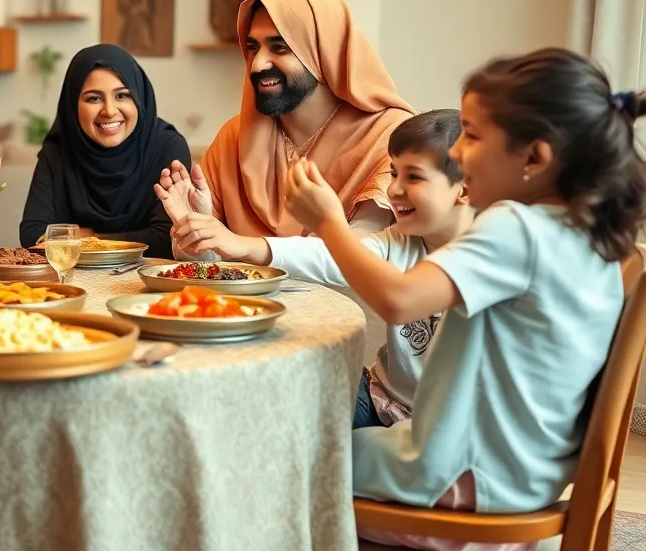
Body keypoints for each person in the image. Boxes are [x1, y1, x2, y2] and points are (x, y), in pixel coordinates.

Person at [283, 48, 646, 551]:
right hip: (519, 485)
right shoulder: (591, 238)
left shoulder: (516, 229)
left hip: (458, 491)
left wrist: (328, 223)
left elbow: (399, 300)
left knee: (277, 463)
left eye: (472, 136)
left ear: (535, 158)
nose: (458, 155)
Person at [176, 110, 471, 429]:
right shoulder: (400, 239)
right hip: (379, 398)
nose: (394, 190)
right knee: (286, 380)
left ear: (464, 189)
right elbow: (332, 257)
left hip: (443, 423)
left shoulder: (488, 255)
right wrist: (240, 245)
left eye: (413, 177)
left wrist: (326, 220)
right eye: (393, 174)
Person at [159, 0, 414, 256]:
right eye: (252, 47)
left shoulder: (391, 136)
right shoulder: (234, 136)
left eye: (279, 47)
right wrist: (193, 233)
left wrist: (246, 247)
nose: (257, 65)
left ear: (322, 52)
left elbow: (360, 254)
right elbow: (207, 265)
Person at [20, 44, 190, 258]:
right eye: (94, 98)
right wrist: (126, 239)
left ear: (139, 98)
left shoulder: (167, 145)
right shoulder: (59, 149)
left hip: (147, 280)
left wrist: (89, 239)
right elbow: (31, 233)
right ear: (73, 104)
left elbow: (165, 238)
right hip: (72, 279)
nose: (109, 111)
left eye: (122, 96)